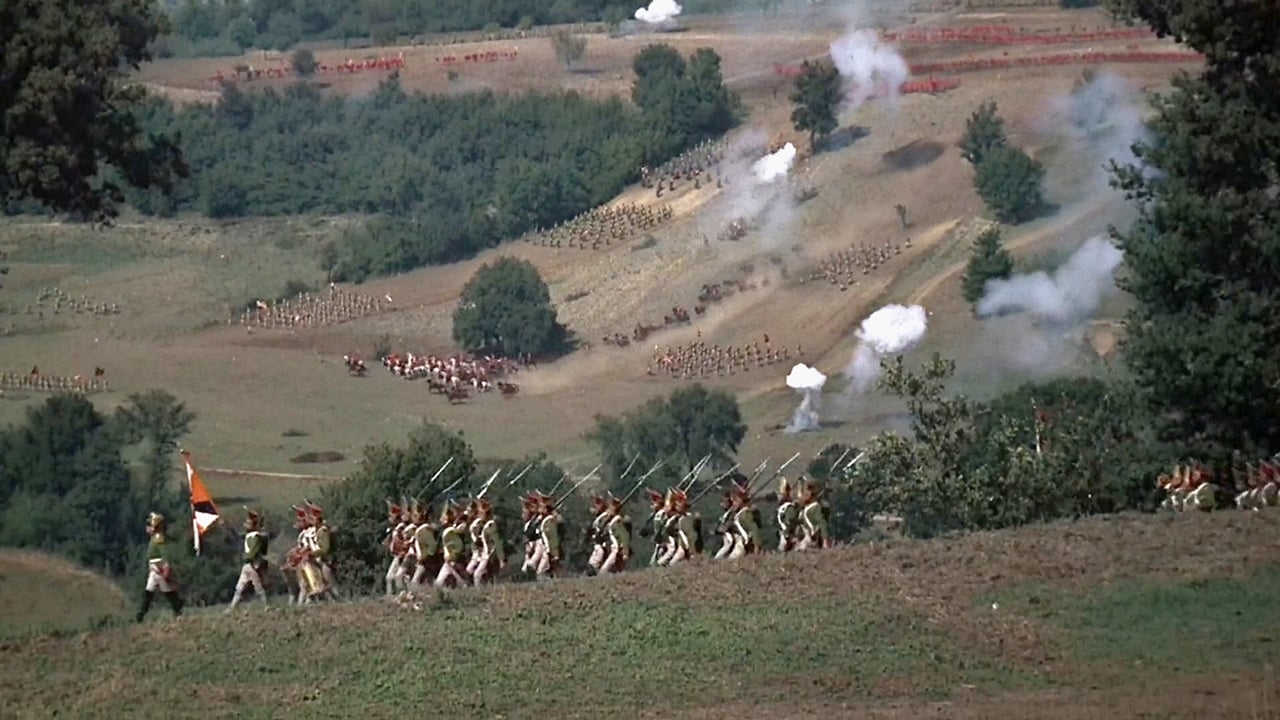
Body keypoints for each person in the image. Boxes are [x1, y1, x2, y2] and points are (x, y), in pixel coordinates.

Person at [136, 512, 183, 622]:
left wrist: (165, 567)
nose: (147, 527)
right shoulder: (155, 538)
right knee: (151, 591)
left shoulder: (158, 538)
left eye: (149, 525)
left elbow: (163, 554)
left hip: (158, 569)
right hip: (154, 568)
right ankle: (140, 614)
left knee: (164, 591)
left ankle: (177, 609)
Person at [227, 508, 270, 611]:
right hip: (247, 565)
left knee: (258, 586)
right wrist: (229, 527)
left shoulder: (256, 537)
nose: (245, 525)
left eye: (248, 523)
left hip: (252, 564)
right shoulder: (249, 535)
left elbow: (253, 551)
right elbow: (237, 536)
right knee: (240, 586)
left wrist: (247, 557)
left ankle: (267, 605)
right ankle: (232, 607)